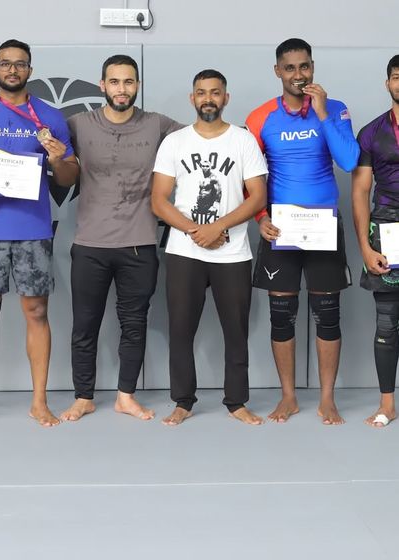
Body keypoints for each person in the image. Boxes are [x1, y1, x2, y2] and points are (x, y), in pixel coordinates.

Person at [61, 55, 181, 422]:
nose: (121, 89)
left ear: (137, 86)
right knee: (84, 326)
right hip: (90, 245)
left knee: (134, 325)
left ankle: (125, 397)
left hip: (138, 244)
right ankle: (83, 397)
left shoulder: (158, 124)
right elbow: (47, 151)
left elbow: (206, 138)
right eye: (114, 82)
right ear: (102, 85)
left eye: (128, 82)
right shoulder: (78, 124)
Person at [246, 38, 360, 425]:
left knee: (328, 314)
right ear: (278, 71)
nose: (299, 74)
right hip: (281, 229)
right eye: (291, 67)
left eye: (305, 66)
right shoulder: (260, 117)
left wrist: (323, 112)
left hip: (323, 226)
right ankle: (289, 397)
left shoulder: (335, 108)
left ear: (313, 67)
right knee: (282, 315)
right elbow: (249, 176)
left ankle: (327, 399)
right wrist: (260, 216)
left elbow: (349, 161)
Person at [151, 69, 268, 426]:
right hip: (185, 251)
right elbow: (159, 200)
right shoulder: (175, 142)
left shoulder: (243, 141)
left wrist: (218, 227)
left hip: (232, 252)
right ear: (192, 98)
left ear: (225, 98)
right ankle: (183, 401)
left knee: (236, 331)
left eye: (215, 92)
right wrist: (195, 230)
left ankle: (237, 402)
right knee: (180, 330)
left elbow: (258, 196)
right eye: (201, 92)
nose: (208, 99)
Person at [0, 39, 79, 427]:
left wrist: (57, 159)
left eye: (20, 64)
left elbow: (68, 177)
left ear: (30, 70)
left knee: (37, 312)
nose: (12, 69)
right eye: (5, 63)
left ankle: (39, 402)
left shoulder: (49, 117)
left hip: (32, 230)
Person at [352, 55, 399, 427]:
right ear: (387, 83)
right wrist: (365, 248)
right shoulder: (370, 132)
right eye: (397, 77)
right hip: (386, 229)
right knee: (387, 322)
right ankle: (387, 405)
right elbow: (360, 191)